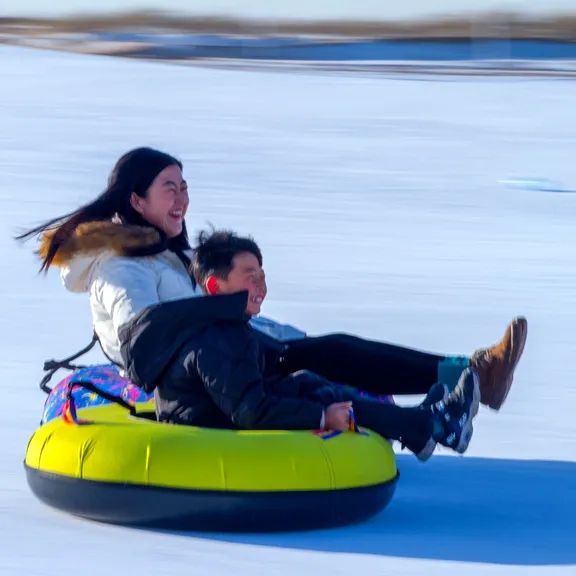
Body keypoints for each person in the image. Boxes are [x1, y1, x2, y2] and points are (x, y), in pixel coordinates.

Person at [17, 146, 527, 413]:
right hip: (194, 380)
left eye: (185, 186)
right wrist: (227, 318)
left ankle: (471, 375)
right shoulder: (120, 267)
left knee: (327, 349)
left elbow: (206, 312)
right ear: (137, 201)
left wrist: (262, 323)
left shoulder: (164, 255)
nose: (182, 198)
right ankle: (473, 377)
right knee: (332, 354)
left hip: (219, 359)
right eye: (168, 188)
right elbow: (141, 338)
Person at [120, 228, 480, 461]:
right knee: (319, 401)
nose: (261, 285)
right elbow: (248, 411)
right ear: (216, 287)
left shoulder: (217, 324)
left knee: (306, 383)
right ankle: (433, 426)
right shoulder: (218, 338)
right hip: (210, 435)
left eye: (263, 275)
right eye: (250, 277)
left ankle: (421, 423)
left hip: (212, 413)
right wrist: (323, 418)